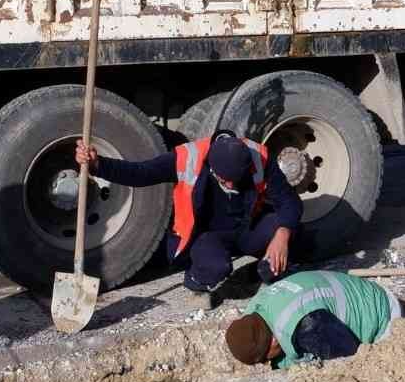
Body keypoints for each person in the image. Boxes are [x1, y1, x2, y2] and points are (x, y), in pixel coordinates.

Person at [75, 130, 303, 306]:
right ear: (212, 167)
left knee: (289, 233)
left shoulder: (258, 157)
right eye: (225, 181)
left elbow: (290, 201)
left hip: (246, 227)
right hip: (208, 236)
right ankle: (196, 281)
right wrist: (98, 165)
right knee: (216, 268)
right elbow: (141, 172)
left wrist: (282, 235)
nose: (231, 186)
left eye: (237, 180)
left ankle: (258, 272)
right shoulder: (188, 157)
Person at [224, 269, 401, 369]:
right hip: (354, 290)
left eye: (264, 358)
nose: (266, 363)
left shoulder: (308, 328)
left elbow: (351, 359)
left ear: (272, 341)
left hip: (382, 315)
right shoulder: (256, 307)